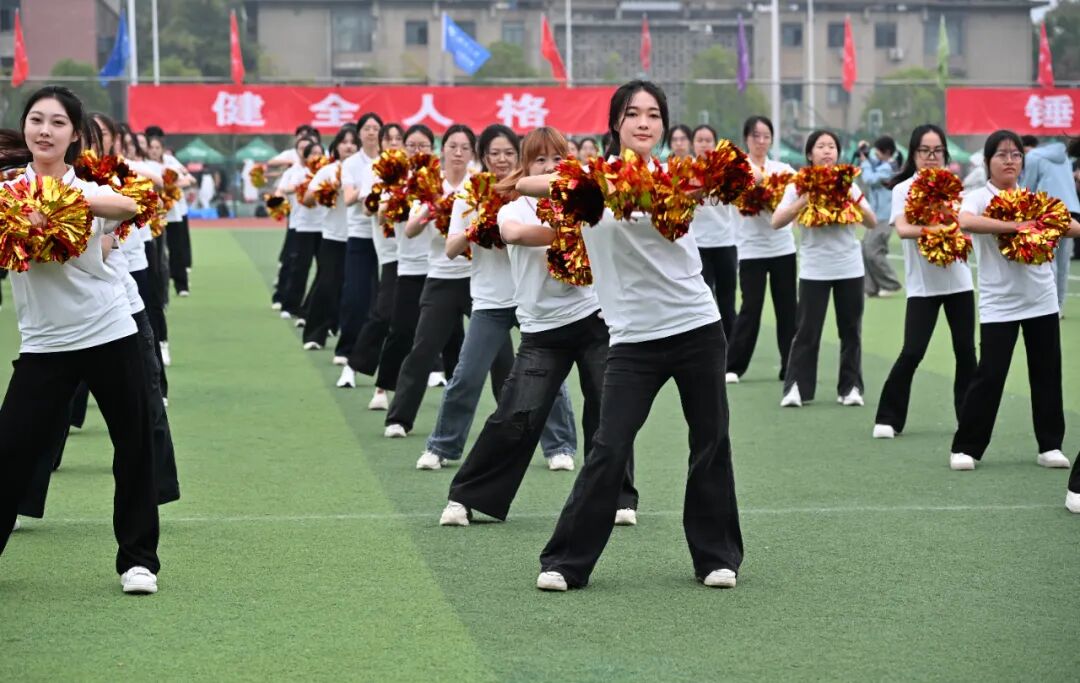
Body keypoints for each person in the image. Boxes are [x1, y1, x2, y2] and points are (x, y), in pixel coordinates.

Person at [521, 81, 743, 591]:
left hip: (696, 326)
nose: (644, 123)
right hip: (632, 341)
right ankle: (565, 562)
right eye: (633, 113)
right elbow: (540, 186)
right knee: (609, 445)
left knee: (711, 443)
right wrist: (524, 183)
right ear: (616, 123)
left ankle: (716, 557)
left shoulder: (677, 178)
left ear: (663, 125)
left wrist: (712, 185)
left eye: (653, 114)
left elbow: (731, 186)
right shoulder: (591, 179)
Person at [0, 86, 160, 594]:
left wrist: (60, 200)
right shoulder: (6, 193)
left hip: (109, 329)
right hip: (45, 343)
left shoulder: (90, 188)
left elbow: (132, 206)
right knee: (10, 451)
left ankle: (138, 562)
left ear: (74, 135)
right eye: (36, 120)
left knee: (134, 443)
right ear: (24, 128)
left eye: (57, 123)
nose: (44, 130)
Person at [440, 125, 634, 527]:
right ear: (526, 167)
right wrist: (570, 230)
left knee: (608, 408)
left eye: (557, 159)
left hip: (593, 318)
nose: (549, 167)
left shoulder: (586, 203)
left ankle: (619, 498)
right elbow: (515, 234)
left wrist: (583, 218)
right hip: (542, 330)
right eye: (539, 159)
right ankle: (468, 498)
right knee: (516, 414)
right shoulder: (511, 207)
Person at [418, 125, 577, 472]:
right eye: (494, 153)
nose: (502, 159)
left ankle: (559, 446)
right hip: (490, 300)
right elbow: (450, 249)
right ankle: (442, 445)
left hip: (532, 298)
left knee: (550, 376)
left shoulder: (541, 188)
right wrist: (479, 226)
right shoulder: (471, 194)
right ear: (483, 157)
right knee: (466, 375)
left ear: (517, 156)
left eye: (508, 153)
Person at [949, 130, 1080, 472]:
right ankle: (967, 447)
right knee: (990, 375)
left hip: (1041, 299)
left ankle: (1050, 445)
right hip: (999, 303)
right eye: (1002, 154)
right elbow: (965, 222)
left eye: (1016, 155)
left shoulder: (1034, 197)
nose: (1010, 160)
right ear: (987, 161)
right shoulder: (977, 197)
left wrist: (1054, 224)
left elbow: (1070, 226)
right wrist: (1019, 224)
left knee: (1047, 373)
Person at [872, 124, 975, 440]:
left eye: (937, 151)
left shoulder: (955, 186)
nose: (931, 157)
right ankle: (888, 418)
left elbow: (965, 225)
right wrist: (940, 230)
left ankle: (970, 420)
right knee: (913, 351)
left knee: (966, 352)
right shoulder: (903, 190)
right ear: (914, 154)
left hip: (958, 282)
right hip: (923, 287)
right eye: (925, 151)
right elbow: (903, 229)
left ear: (945, 154)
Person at [383, 124, 477, 438]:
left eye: (465, 147)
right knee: (423, 349)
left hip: (480, 282)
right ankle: (399, 418)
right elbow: (410, 230)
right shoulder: (430, 185)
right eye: (453, 146)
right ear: (443, 150)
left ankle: (519, 422)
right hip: (440, 279)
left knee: (502, 354)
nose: (459, 153)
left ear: (472, 153)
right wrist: (432, 210)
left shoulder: (479, 184)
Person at [773, 130, 877, 408]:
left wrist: (852, 202)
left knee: (851, 330)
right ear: (810, 154)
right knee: (807, 331)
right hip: (814, 270)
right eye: (821, 146)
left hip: (849, 268)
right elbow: (776, 221)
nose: (827, 151)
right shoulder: (797, 185)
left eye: (832, 146)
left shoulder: (848, 185)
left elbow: (871, 221)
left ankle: (851, 388)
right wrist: (803, 200)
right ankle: (796, 389)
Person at [365, 124, 438, 410]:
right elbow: (382, 216)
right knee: (400, 330)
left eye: (424, 146)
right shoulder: (395, 180)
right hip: (407, 266)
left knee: (453, 335)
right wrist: (400, 200)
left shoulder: (441, 180)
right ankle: (383, 388)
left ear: (432, 149)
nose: (418, 151)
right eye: (412, 146)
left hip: (441, 268)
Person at [723, 116, 798, 384]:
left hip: (782, 248)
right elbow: (731, 193)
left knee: (787, 307)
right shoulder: (737, 169)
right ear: (747, 138)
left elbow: (796, 201)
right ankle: (734, 366)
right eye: (756, 136)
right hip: (751, 249)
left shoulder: (784, 169)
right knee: (751, 308)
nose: (761, 141)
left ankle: (790, 364)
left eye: (766, 136)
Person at [340, 123, 404, 392]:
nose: (392, 142)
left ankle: (436, 370)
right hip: (390, 250)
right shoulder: (373, 169)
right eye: (387, 138)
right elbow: (367, 208)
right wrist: (386, 204)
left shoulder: (416, 170)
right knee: (384, 312)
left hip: (422, 254)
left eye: (397, 138)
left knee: (425, 317)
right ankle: (353, 365)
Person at [299, 125, 358, 350]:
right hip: (333, 238)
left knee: (357, 291)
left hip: (360, 238)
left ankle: (349, 336)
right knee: (327, 286)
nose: (349, 145)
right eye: (344, 141)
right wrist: (328, 189)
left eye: (353, 141)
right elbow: (306, 198)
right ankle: (315, 334)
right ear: (336, 146)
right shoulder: (329, 170)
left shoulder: (368, 169)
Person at [335, 112, 383, 364]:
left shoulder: (389, 161)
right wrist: (370, 190)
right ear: (359, 132)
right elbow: (348, 197)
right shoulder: (352, 163)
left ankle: (377, 349)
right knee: (356, 293)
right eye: (367, 128)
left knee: (384, 297)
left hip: (387, 238)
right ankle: (346, 348)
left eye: (376, 128)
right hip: (360, 234)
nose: (371, 132)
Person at [686, 124, 739, 345]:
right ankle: (705, 345)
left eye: (708, 140)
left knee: (727, 302)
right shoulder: (685, 170)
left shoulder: (725, 171)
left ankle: (730, 350)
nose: (704, 144)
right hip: (698, 246)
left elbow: (751, 179)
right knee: (704, 301)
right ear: (693, 144)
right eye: (700, 140)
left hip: (725, 243)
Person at [1020, 135, 1080, 317]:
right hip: (1071, 210)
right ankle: (1059, 306)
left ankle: (1050, 306)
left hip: (1049, 211)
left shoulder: (1033, 157)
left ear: (1025, 149)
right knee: (1063, 264)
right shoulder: (1064, 155)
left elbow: (1027, 188)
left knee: (1049, 261)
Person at [277, 139, 324, 321]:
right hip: (303, 225)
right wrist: (302, 186)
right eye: (312, 153)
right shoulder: (297, 173)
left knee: (324, 269)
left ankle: (311, 306)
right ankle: (291, 305)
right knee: (300, 268)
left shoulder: (328, 173)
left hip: (324, 228)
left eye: (319, 153)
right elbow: (284, 190)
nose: (316, 157)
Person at [146, 126, 196, 297]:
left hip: (173, 211)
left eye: (157, 148)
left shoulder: (171, 161)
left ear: (162, 148)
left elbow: (189, 178)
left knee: (177, 249)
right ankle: (159, 283)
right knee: (158, 251)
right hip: (156, 213)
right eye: (151, 148)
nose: (154, 151)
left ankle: (181, 284)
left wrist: (170, 185)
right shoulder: (145, 165)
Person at [859, 135, 903, 297]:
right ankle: (870, 288)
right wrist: (865, 150)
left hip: (884, 216)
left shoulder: (889, 168)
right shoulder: (883, 164)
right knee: (865, 249)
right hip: (876, 215)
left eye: (877, 152)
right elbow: (873, 163)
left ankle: (891, 284)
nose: (875, 155)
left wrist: (864, 161)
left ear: (886, 152)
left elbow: (869, 178)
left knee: (873, 251)